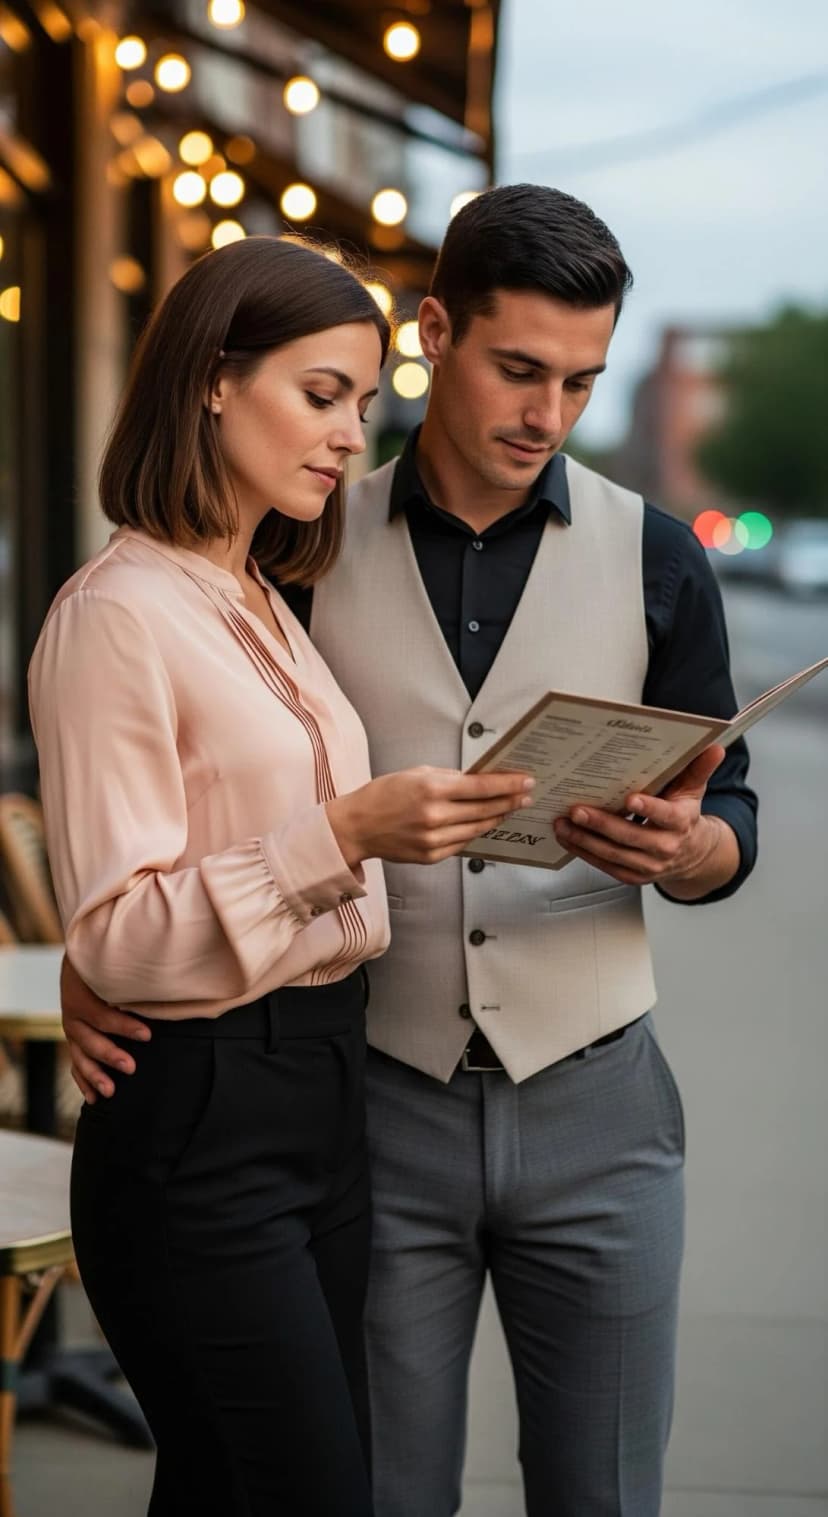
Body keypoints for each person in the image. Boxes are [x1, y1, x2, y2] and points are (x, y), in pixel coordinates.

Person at [60, 188, 758, 1517]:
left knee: (603, 1494)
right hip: (375, 1100)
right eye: (519, 369)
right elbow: (184, 807)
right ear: (438, 332)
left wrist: (691, 848)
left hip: (599, 1102)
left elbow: (735, 816)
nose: (547, 413)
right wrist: (98, 964)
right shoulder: (294, 548)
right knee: (376, 1491)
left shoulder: (661, 559)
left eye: (581, 381)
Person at [28, 235, 532, 1517]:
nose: (350, 435)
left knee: (235, 1488)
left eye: (362, 402)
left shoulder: (260, 599)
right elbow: (119, 939)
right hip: (202, 1112)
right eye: (320, 394)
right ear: (213, 379)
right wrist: (346, 831)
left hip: (321, 1088)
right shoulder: (116, 614)